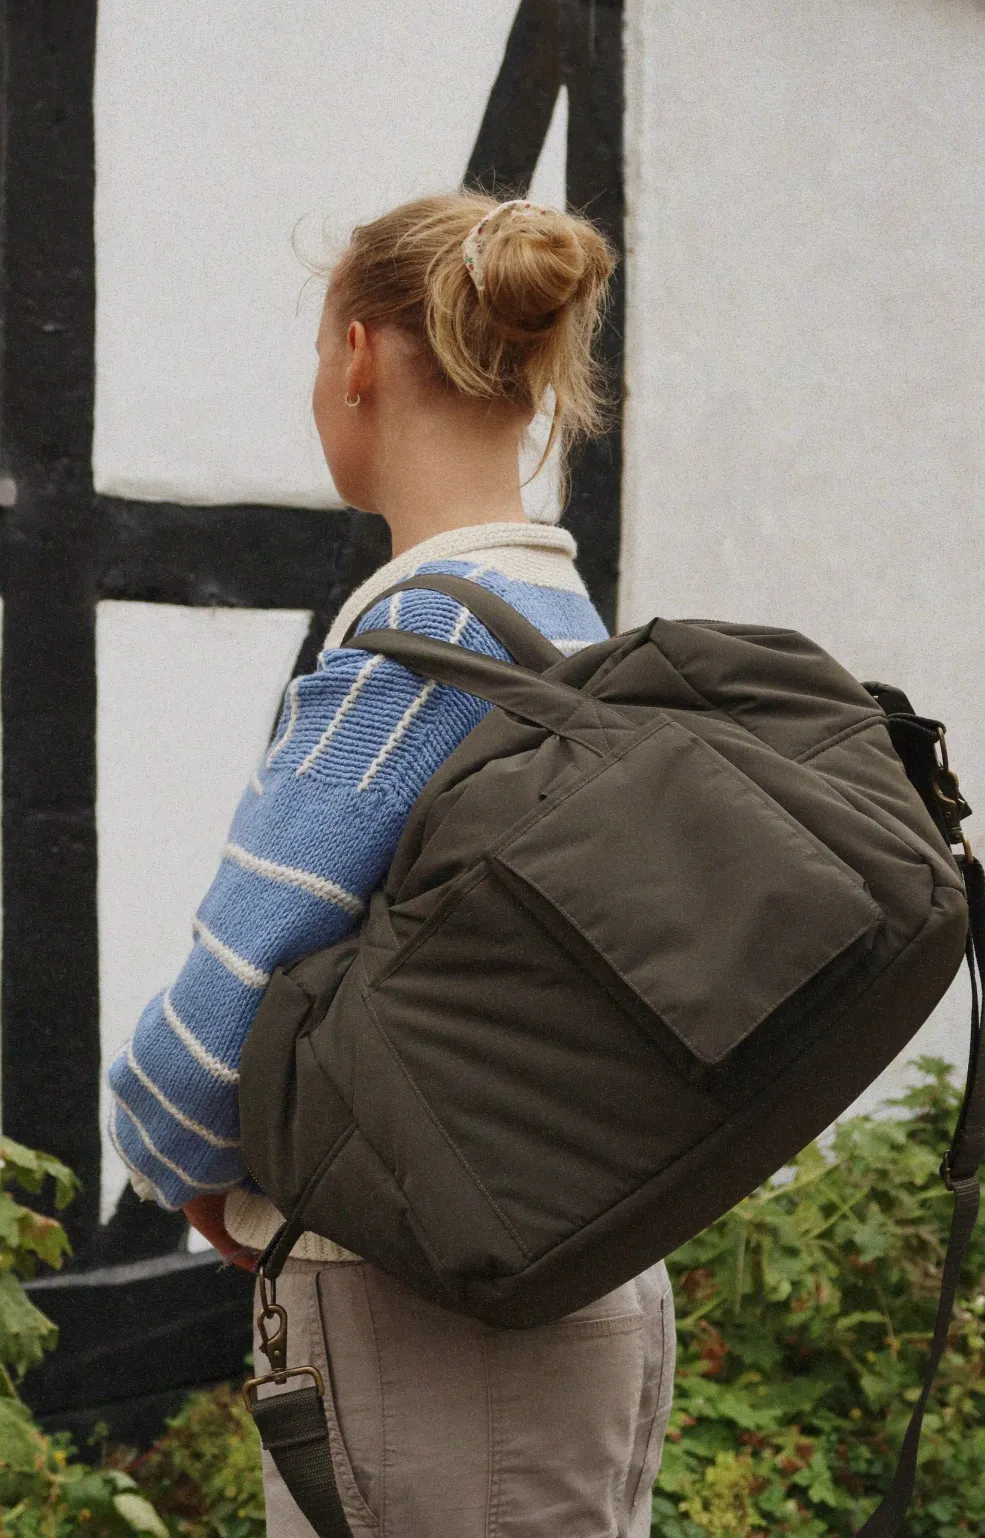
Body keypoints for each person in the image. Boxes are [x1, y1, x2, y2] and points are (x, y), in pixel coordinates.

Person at [107, 192, 675, 1538]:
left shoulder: (415, 660)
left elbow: (215, 1027)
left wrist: (178, 1156)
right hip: (581, 1281)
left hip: (435, 1330)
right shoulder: (567, 631)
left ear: (358, 357)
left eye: (321, 352)